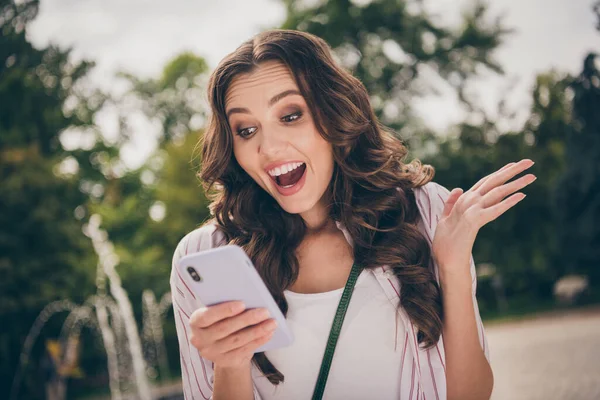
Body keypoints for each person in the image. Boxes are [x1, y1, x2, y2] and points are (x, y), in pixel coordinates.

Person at [170, 29, 535, 400]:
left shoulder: (425, 213)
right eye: (246, 130)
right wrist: (230, 363)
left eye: (291, 115)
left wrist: (452, 267)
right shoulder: (202, 257)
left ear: (334, 113)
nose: (269, 147)